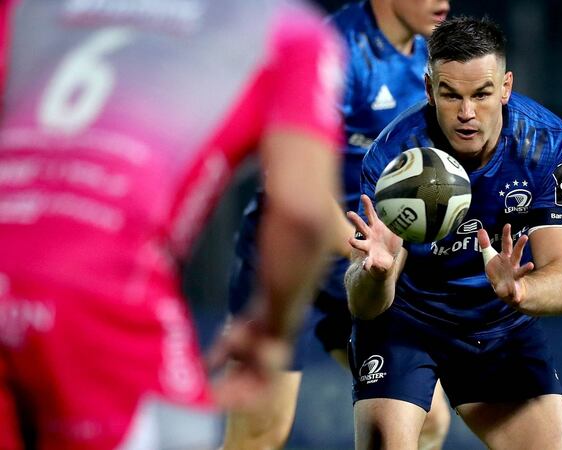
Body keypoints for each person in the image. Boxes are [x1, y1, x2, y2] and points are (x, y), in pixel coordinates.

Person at [0, 0, 345, 449]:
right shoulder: (288, 32)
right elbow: (302, 212)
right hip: (107, 299)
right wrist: (270, 331)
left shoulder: (28, 6)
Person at [345, 16, 562, 450]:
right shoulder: (393, 156)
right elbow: (365, 306)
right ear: (428, 89)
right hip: (406, 322)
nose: (466, 114)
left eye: (482, 94)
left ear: (507, 87)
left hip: (496, 326)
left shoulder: (548, 144)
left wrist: (520, 291)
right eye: (450, 94)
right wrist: (378, 274)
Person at [221, 1, 453, 449]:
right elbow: (287, 176)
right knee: (259, 436)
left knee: (426, 419)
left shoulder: (433, 57)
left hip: (359, 261)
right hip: (285, 262)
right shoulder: (335, 50)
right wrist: (363, 249)